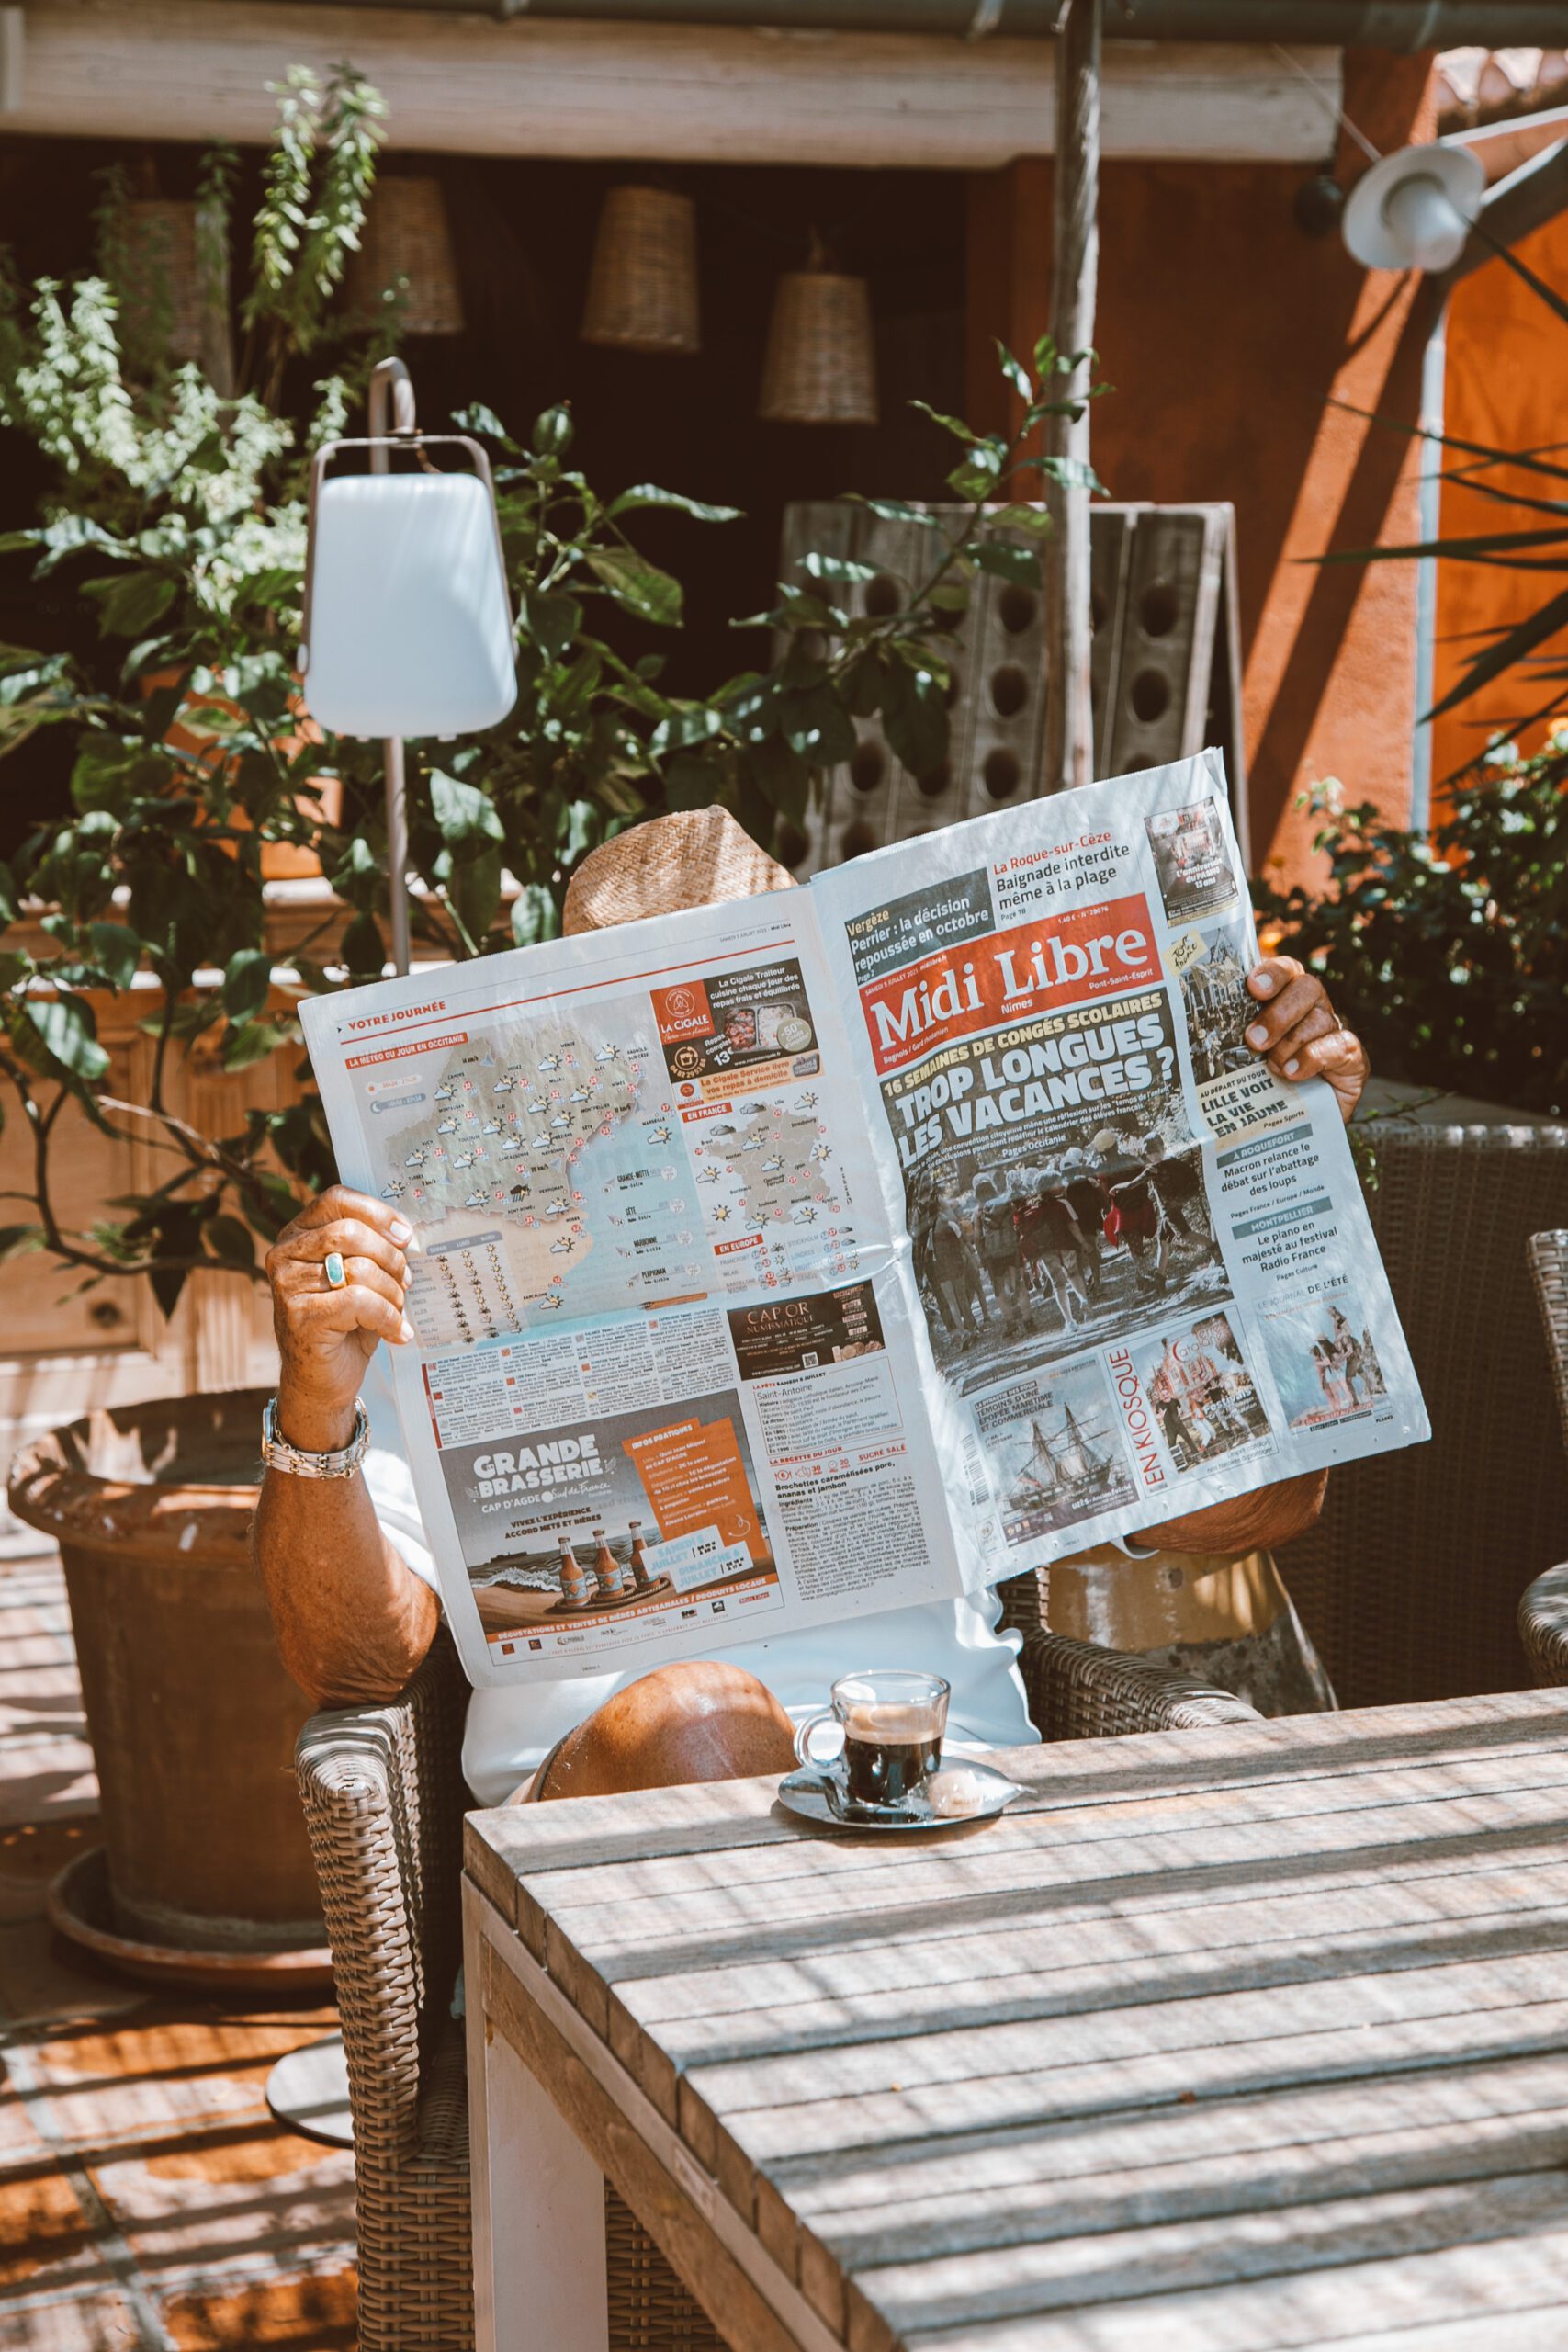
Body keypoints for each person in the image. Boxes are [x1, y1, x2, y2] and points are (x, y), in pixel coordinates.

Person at [254, 808, 1370, 1801]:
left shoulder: (926, 1225)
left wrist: (1271, 1148)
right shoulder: (452, 1262)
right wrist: (314, 1404)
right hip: (619, 1812)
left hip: (941, 1781)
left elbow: (1253, 1513)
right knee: (701, 1723)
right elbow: (353, 1665)